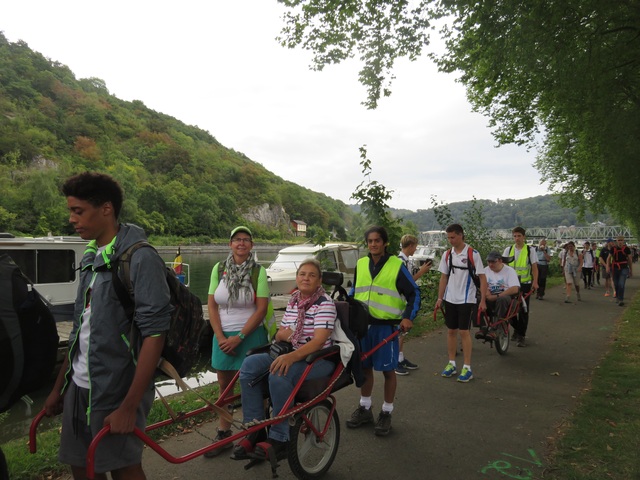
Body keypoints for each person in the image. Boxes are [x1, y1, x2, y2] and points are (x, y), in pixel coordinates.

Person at [44, 172, 172, 480]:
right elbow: (79, 331)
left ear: (106, 209)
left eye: (78, 211)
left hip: (118, 387)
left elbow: (155, 334)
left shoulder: (140, 258)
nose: (72, 219)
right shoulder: (89, 257)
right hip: (79, 385)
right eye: (71, 211)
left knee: (123, 466)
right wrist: (59, 388)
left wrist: (129, 405)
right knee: (81, 463)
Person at [237, 259, 336, 460]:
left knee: (279, 373)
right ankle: (255, 430)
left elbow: (317, 342)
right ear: (297, 277)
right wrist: (290, 339)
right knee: (248, 366)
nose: (306, 278)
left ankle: (280, 438)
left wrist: (291, 351)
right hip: (291, 352)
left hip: (317, 359)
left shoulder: (325, 304)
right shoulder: (294, 300)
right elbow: (281, 333)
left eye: (311, 275)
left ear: (319, 281)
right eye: (302, 274)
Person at [346, 226, 420, 435]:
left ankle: (386, 412)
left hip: (386, 328)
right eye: (369, 241)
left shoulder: (396, 265)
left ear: (385, 243)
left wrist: (408, 317)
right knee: (365, 368)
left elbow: (414, 293)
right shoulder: (361, 264)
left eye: (377, 241)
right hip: (362, 328)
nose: (373, 244)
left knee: (388, 370)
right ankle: (365, 407)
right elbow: (354, 292)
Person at [204, 226, 269, 457]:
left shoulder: (258, 272)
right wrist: (221, 337)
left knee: (254, 386)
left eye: (246, 240)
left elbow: (261, 309)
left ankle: (256, 434)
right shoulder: (219, 268)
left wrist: (239, 338)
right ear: (230, 244)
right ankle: (224, 433)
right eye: (237, 239)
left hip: (250, 336)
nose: (241, 243)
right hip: (222, 337)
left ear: (251, 245)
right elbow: (212, 305)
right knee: (224, 387)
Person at [435, 224, 487, 382]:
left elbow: (482, 278)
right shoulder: (447, 255)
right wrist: (440, 298)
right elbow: (444, 277)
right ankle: (451, 363)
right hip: (450, 298)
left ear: (461, 235)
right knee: (451, 331)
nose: (450, 240)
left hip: (466, 299)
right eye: (448, 237)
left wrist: (483, 300)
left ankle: (467, 367)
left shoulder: (472, 254)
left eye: (453, 237)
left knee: (464, 332)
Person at [395, 234, 431, 375]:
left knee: (402, 332)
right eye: (415, 246)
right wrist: (421, 272)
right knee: (399, 332)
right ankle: (396, 361)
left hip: (403, 301)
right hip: (400, 301)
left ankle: (400, 357)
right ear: (410, 246)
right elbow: (408, 283)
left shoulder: (405, 261)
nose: (416, 249)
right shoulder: (400, 263)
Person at [503, 227, 538, 347]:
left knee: (523, 310)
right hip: (511, 284)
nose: (517, 238)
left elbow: (534, 267)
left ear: (524, 237)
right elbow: (503, 266)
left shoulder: (530, 250)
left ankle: (521, 335)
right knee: (509, 310)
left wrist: (535, 282)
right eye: (515, 236)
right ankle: (518, 330)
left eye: (519, 236)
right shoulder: (508, 250)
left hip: (525, 284)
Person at [480, 251, 520, 338]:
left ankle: (496, 329)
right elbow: (482, 284)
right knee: (475, 298)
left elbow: (515, 288)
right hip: (489, 296)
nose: (490, 264)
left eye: (493, 262)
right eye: (489, 262)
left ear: (500, 261)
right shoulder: (485, 270)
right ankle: (481, 327)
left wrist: (497, 296)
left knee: (502, 299)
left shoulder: (509, 271)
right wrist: (487, 294)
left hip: (505, 296)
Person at [608, 236, 633, 307]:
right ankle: (618, 297)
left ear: (623, 241)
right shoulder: (613, 249)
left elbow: (629, 260)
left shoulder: (626, 249)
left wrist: (631, 270)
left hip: (624, 268)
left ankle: (620, 299)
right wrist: (607, 267)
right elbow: (609, 258)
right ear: (616, 241)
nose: (620, 241)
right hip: (615, 268)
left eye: (621, 240)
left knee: (621, 284)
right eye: (619, 240)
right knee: (616, 284)